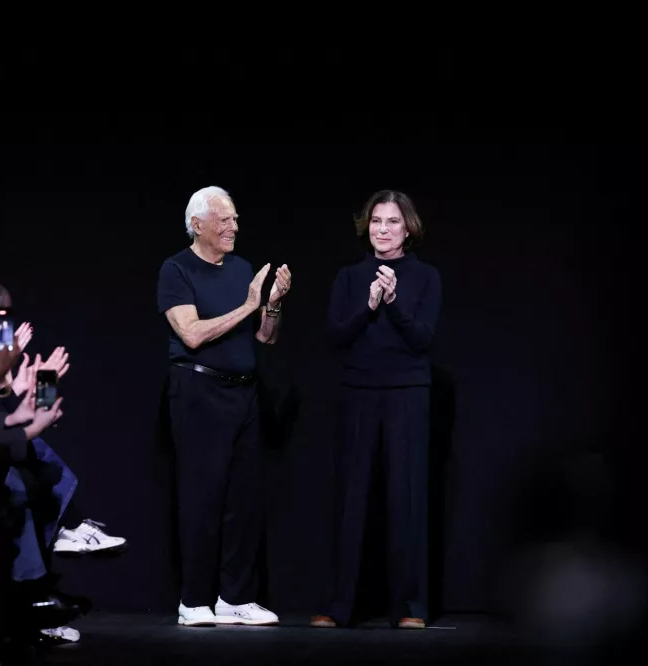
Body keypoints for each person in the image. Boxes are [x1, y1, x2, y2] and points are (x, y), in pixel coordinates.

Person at [157, 186, 291, 627]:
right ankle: (194, 600)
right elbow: (191, 334)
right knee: (202, 497)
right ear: (197, 224)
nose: (234, 226)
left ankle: (235, 597)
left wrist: (271, 305)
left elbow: (265, 337)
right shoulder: (176, 269)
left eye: (235, 219)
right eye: (224, 220)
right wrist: (249, 304)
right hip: (199, 392)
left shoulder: (242, 269)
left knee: (244, 499)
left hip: (244, 393)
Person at [312, 190, 441, 630]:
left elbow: (423, 339)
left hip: (408, 392)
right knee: (351, 499)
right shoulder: (350, 277)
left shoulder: (426, 277)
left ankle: (410, 606)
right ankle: (338, 605)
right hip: (359, 392)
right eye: (376, 221)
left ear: (408, 229)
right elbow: (335, 337)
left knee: (407, 498)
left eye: (392, 222)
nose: (382, 229)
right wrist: (368, 307)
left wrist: (393, 304)